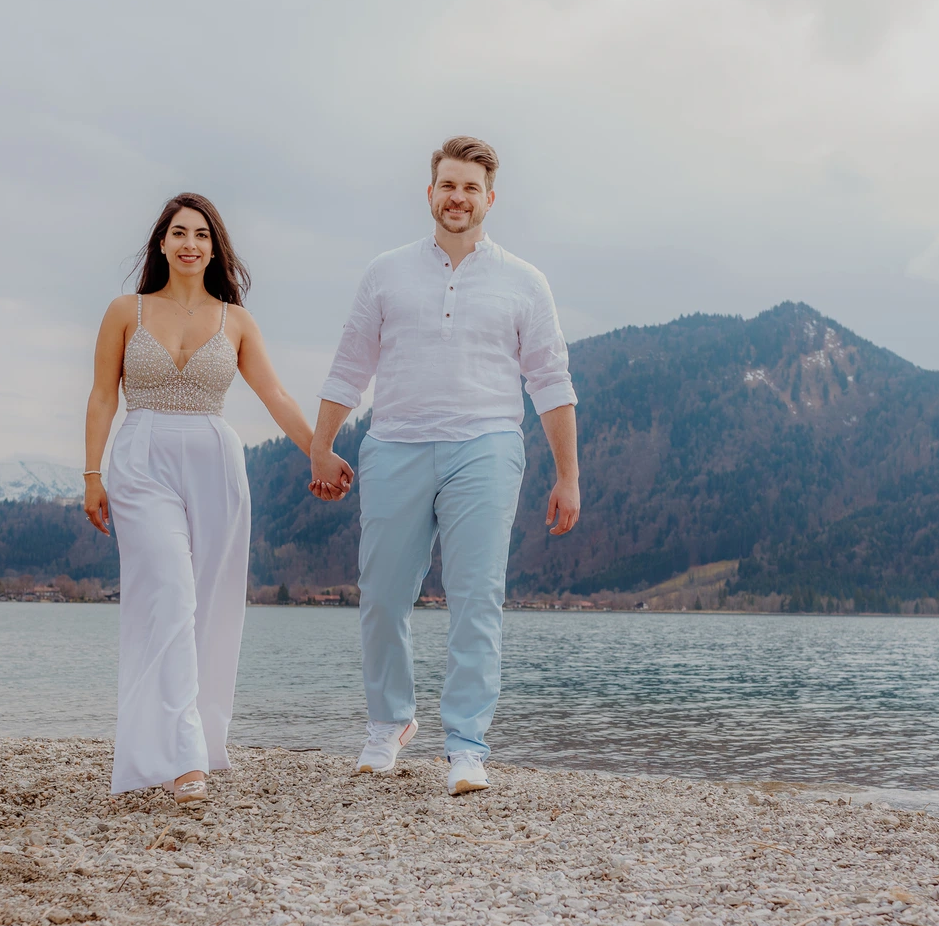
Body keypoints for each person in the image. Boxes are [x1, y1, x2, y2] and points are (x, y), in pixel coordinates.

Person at [309, 136, 581, 796]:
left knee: (475, 599)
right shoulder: (386, 272)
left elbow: (550, 381)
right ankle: (389, 723)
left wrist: (568, 474)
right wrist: (321, 443)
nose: (458, 197)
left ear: (491, 197)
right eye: (448, 185)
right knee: (381, 594)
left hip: (487, 446)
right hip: (395, 443)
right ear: (430, 193)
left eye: (471, 187)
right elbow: (350, 363)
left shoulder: (525, 281)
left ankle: (466, 746)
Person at [82, 193, 315, 810]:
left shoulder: (235, 320)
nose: (191, 243)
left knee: (209, 604)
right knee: (171, 596)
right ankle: (182, 756)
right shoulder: (124, 311)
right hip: (141, 458)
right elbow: (103, 396)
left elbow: (275, 394)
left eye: (202, 235)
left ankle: (201, 739)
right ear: (161, 242)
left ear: (215, 248)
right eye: (179, 233)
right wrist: (91, 474)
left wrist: (318, 450)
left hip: (214, 460)